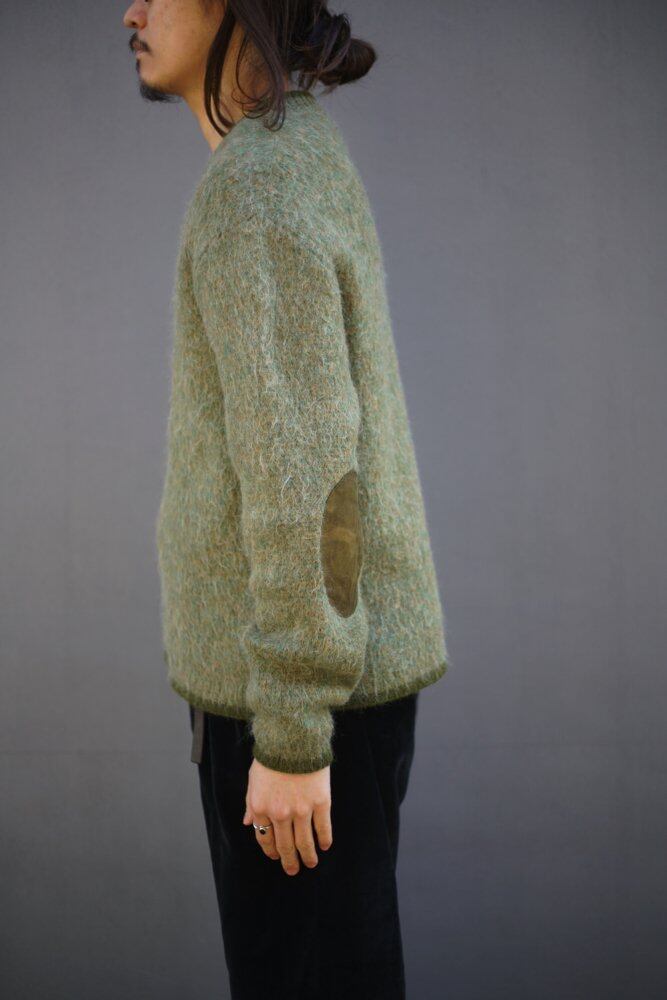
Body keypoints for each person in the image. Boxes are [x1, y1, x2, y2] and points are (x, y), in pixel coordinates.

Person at [123, 2, 451, 997]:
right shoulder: (296, 150)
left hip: (300, 706)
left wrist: (295, 736)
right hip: (328, 684)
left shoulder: (254, 190)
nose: (130, 10)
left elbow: (307, 473)